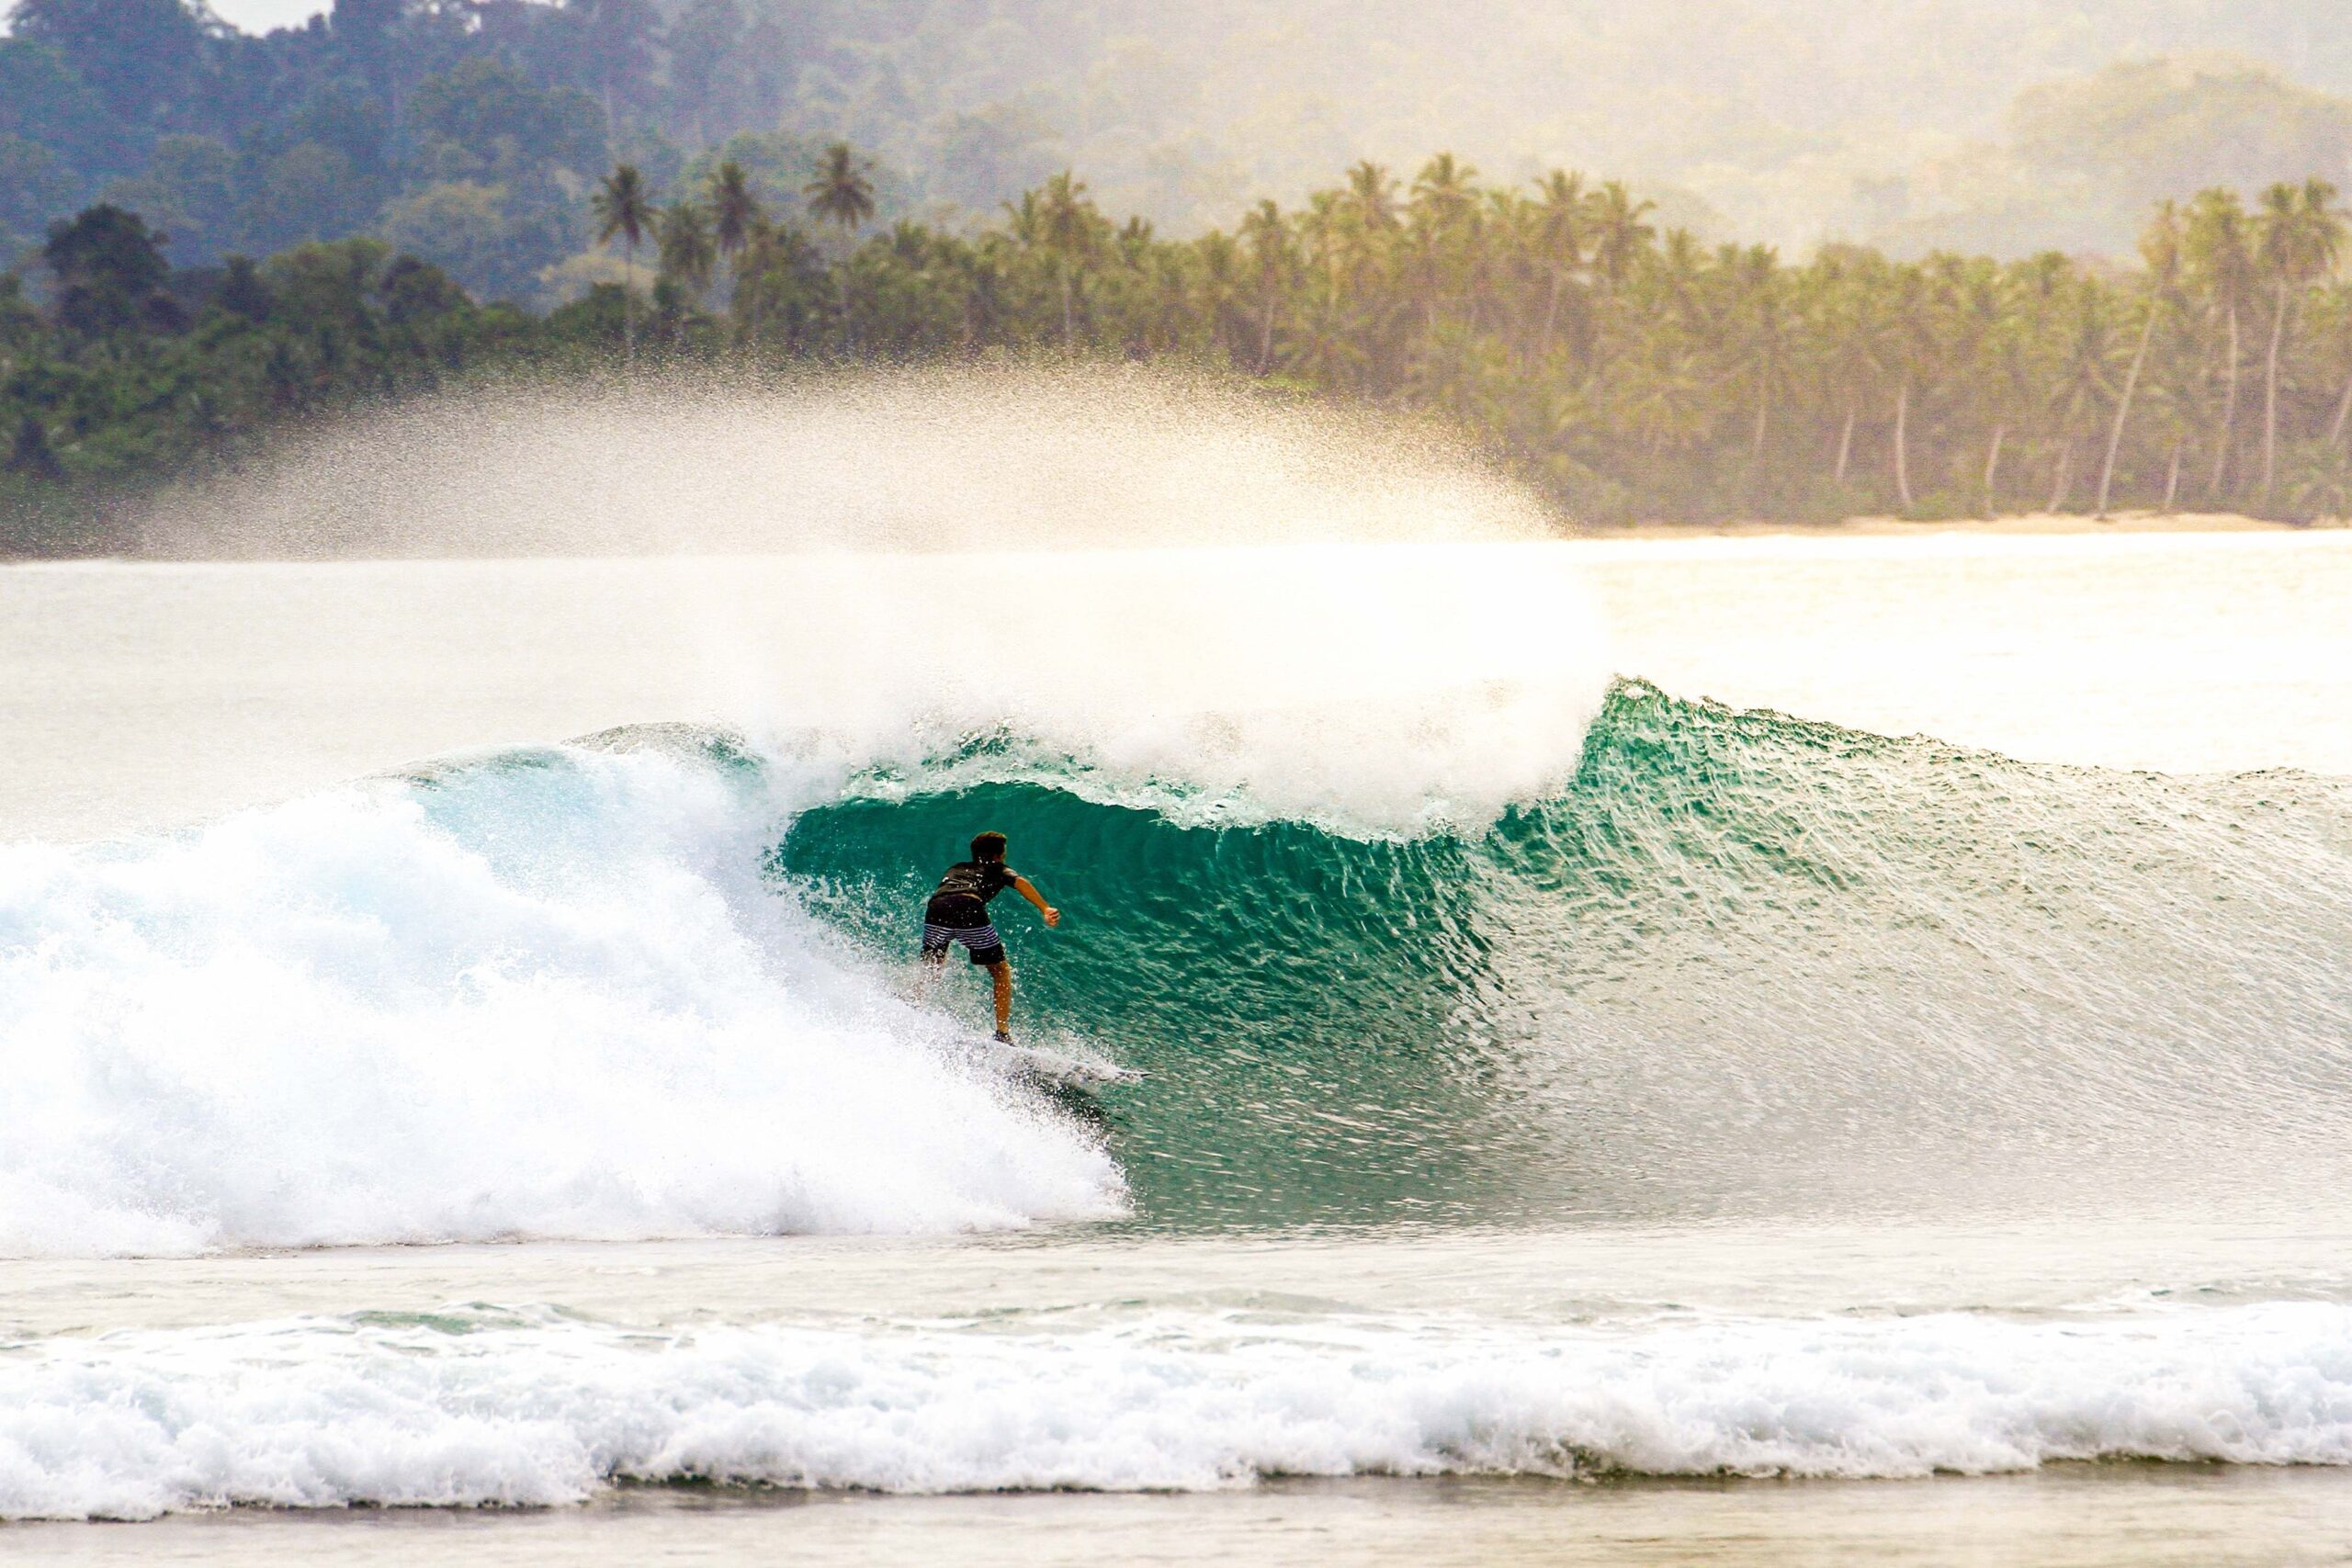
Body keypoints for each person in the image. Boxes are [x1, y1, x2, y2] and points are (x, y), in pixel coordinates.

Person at [920, 830, 1059, 1043]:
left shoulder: (956, 867)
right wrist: (1045, 908)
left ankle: (913, 1001)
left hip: (937, 906)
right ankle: (1002, 1032)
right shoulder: (999, 869)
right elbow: (1021, 882)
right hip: (968, 905)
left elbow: (949, 892)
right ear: (998, 855)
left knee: (932, 964)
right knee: (1000, 971)